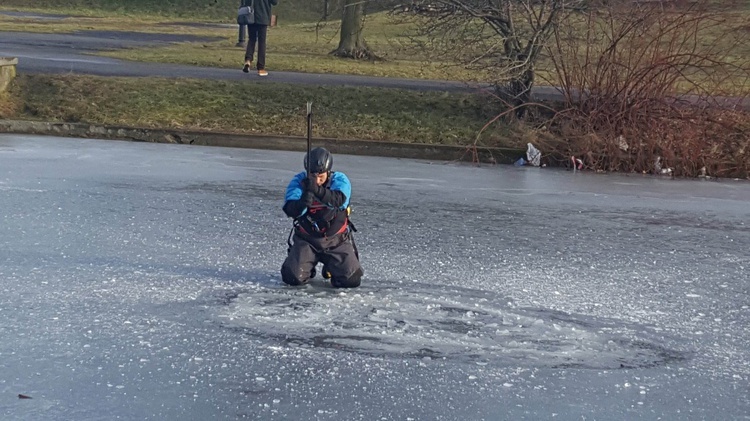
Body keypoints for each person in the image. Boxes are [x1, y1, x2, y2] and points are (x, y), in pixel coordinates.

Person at [281, 147, 363, 288]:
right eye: (313, 176)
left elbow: (339, 201)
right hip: (307, 239)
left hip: (336, 240)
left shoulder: (340, 180)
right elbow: (290, 209)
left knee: (351, 280)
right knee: (292, 278)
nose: (317, 180)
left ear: (328, 172)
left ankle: (332, 266)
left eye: (321, 176)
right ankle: (307, 265)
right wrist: (301, 203)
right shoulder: (299, 181)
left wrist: (317, 191)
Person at [241, 0, 278, 77]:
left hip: (251, 15)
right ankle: (261, 68)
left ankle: (248, 60)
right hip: (263, 16)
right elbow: (274, 2)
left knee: (251, 39)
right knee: (262, 42)